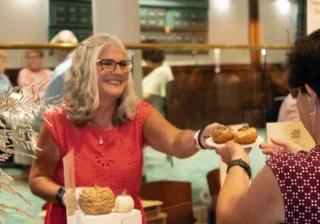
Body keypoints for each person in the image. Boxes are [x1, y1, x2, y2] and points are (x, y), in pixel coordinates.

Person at [28, 33, 221, 224]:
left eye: (123, 64)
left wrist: (200, 136)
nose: (118, 71)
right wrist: (66, 195)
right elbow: (37, 179)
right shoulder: (58, 120)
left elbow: (175, 141)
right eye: (108, 63)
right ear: (85, 69)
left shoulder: (138, 114)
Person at [214, 29, 320, 223]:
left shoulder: (291, 173)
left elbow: (230, 218)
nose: (295, 102)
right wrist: (302, 157)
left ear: (311, 97)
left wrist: (238, 161)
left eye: (296, 94)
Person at [44, 30, 78, 103]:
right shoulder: (84, 63)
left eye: (55, 49)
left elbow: (49, 102)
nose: (55, 53)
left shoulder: (62, 70)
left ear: (60, 48)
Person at [142, 41, 174, 117]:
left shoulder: (162, 71)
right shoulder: (160, 70)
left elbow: (145, 96)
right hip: (151, 113)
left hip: (153, 114)